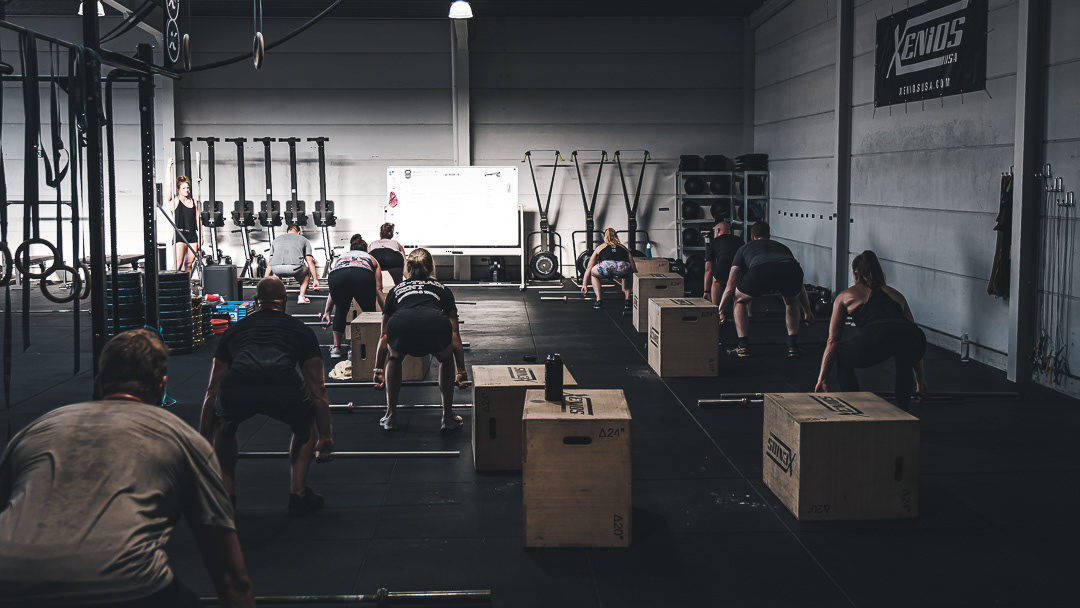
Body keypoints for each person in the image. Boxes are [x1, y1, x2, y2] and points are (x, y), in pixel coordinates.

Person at [0, 329, 255, 607]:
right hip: (122, 583)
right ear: (161, 386)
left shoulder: (38, 429)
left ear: (98, 383)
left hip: (9, 574)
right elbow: (233, 579)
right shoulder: (181, 437)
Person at [201, 276, 334, 516]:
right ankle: (298, 494)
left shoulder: (234, 331)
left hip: (238, 385)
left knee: (224, 425)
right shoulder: (300, 330)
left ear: (256, 300)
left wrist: (202, 442)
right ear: (284, 300)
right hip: (283, 385)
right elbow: (318, 389)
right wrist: (325, 436)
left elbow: (212, 390)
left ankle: (227, 497)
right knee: (305, 425)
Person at [815, 250, 928, 410]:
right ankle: (903, 412)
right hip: (915, 337)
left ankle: (854, 409)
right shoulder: (897, 295)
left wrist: (822, 379)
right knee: (904, 359)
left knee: (842, 357)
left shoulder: (845, 296)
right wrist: (920, 381)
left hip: (877, 335)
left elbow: (833, 341)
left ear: (855, 274)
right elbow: (910, 337)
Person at [373, 248, 468, 432]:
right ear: (431, 267)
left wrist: (378, 369)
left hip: (402, 325)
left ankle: (390, 416)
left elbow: (384, 334)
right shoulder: (443, 289)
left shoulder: (395, 290)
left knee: (394, 358)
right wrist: (461, 370)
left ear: (407, 268)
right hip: (434, 324)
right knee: (446, 359)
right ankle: (448, 417)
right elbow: (454, 333)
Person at [717, 221, 814, 358]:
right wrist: (808, 311)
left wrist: (720, 311)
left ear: (752, 236)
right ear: (769, 235)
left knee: (739, 300)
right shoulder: (783, 247)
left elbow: (731, 283)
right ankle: (792, 346)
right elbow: (800, 285)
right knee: (791, 301)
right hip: (791, 270)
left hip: (761, 270)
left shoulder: (744, 248)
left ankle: (743, 346)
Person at [319, 234, 386, 359]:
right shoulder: (371, 258)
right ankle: (366, 346)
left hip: (338, 276)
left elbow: (333, 292)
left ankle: (336, 348)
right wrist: (387, 312)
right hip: (362, 275)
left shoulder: (342, 257)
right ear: (366, 249)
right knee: (369, 312)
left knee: (340, 310)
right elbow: (378, 289)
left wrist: (327, 312)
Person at [581, 228, 639, 312]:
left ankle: (599, 300)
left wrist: (584, 285)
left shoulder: (600, 247)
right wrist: (640, 281)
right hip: (621, 268)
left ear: (605, 236)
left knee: (593, 274)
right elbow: (634, 268)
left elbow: (589, 267)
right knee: (629, 272)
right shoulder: (624, 248)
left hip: (606, 268)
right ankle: (627, 300)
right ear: (616, 236)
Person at [266, 223, 320, 304]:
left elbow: (270, 261)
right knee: (306, 273)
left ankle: (276, 298)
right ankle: (301, 297)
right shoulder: (304, 240)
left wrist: (265, 279)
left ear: (287, 232)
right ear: (299, 232)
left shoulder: (276, 240)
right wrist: (315, 280)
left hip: (276, 268)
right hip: (294, 268)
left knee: (275, 275)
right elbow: (309, 260)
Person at [167, 158, 201, 276]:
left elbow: (198, 220)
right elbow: (168, 186)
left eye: (187, 188)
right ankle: (169, 285)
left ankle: (187, 286)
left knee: (189, 264)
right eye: (183, 188)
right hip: (179, 235)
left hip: (192, 236)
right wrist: (168, 167)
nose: (187, 190)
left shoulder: (194, 202)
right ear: (178, 189)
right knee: (178, 264)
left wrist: (200, 237)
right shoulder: (175, 201)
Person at [703, 220, 744, 306]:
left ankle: (716, 309)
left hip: (724, 266)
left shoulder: (713, 242)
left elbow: (708, 269)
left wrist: (706, 291)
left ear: (717, 230)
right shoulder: (740, 240)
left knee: (716, 280)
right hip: (739, 267)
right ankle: (743, 310)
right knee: (738, 280)